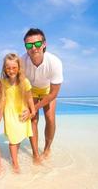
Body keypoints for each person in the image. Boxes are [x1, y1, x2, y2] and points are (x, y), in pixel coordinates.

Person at [21, 28, 63, 160]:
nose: (34, 48)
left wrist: (34, 108)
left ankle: (47, 148)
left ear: (44, 44)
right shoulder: (22, 61)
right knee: (33, 119)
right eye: (29, 45)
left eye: (37, 44)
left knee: (50, 118)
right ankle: (35, 153)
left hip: (48, 91)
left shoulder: (55, 62)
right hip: (31, 91)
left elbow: (54, 93)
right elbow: (19, 84)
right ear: (26, 47)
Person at [1, 53, 35, 173]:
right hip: (9, 114)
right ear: (5, 69)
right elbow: (0, 98)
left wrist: (32, 111)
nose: (11, 70)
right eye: (8, 68)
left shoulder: (24, 82)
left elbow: (30, 98)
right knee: (12, 140)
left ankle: (14, 158)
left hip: (22, 113)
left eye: (14, 67)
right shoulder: (3, 83)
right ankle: (15, 164)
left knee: (18, 137)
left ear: (19, 68)